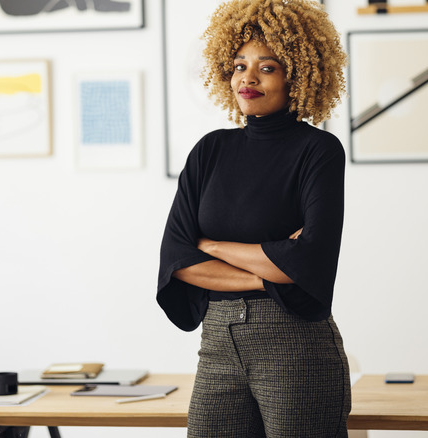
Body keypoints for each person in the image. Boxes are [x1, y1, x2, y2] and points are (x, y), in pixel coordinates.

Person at [157, 0, 349, 436]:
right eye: (239, 66)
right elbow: (176, 261)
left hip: (295, 347)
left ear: (296, 75)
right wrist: (271, 273)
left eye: (267, 67)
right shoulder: (210, 150)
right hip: (217, 342)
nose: (248, 78)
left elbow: (309, 262)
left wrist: (210, 247)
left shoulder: (318, 151)